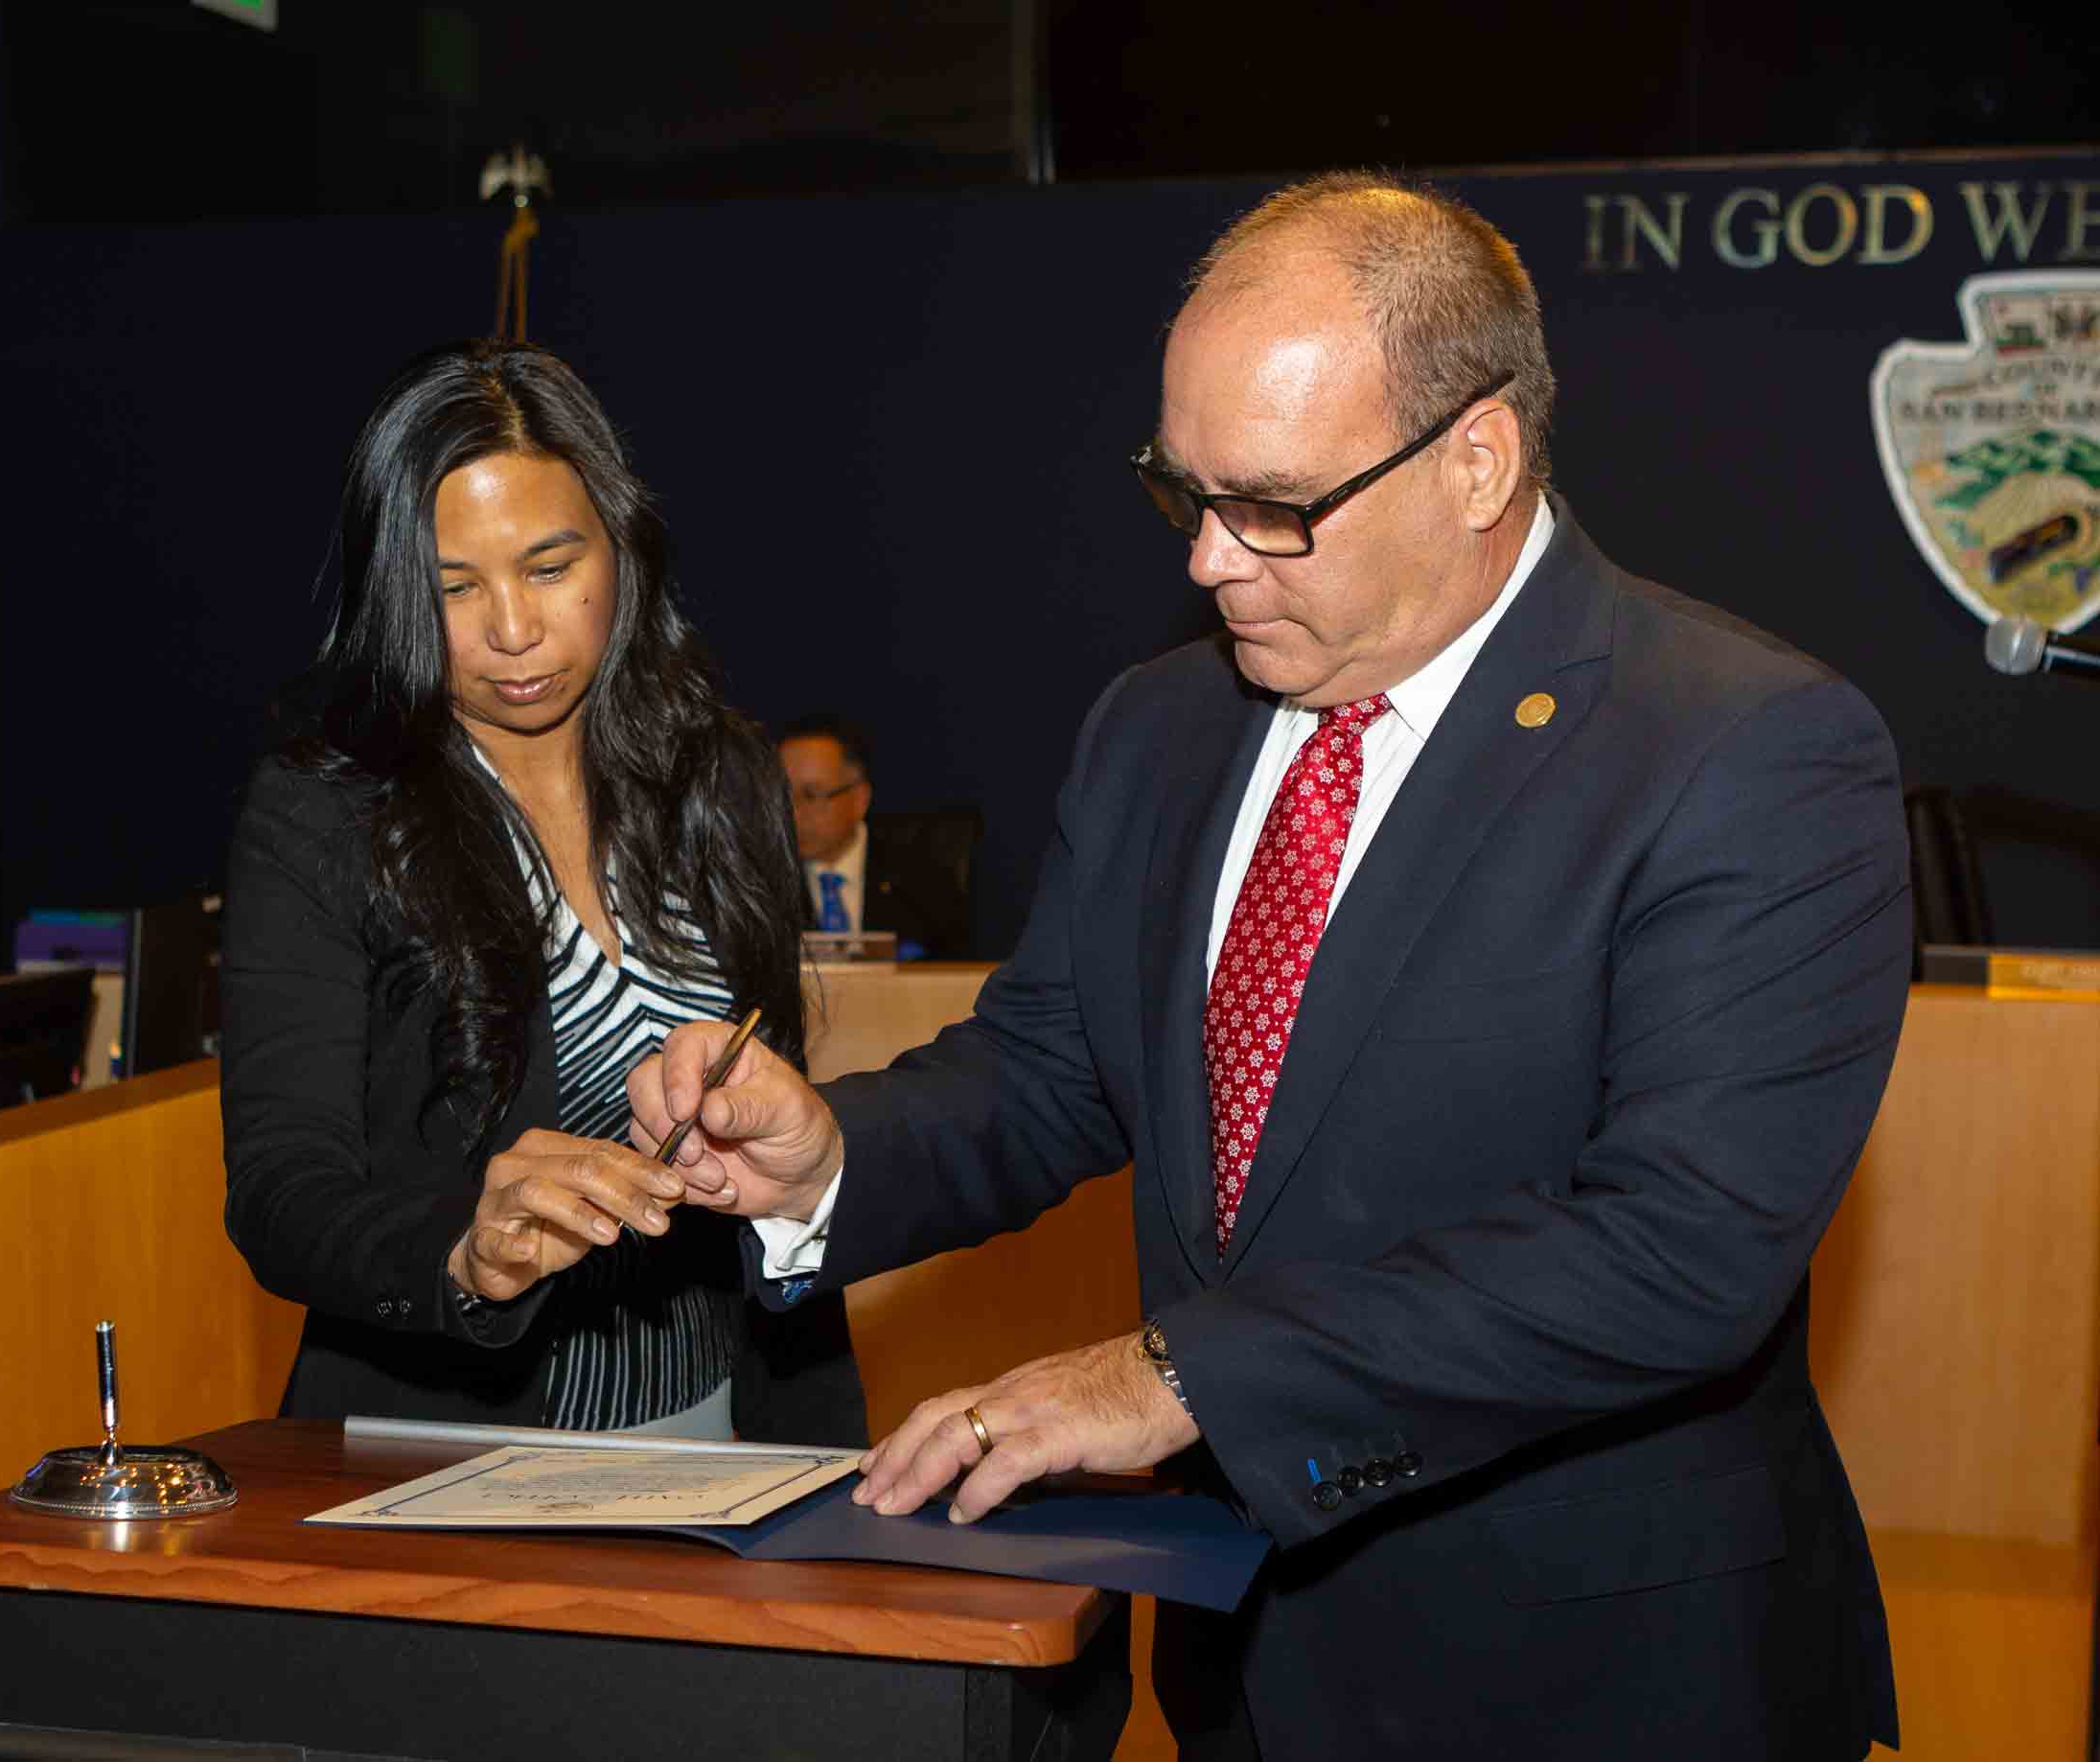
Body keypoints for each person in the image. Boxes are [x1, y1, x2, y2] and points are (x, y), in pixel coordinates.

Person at [629, 174, 1906, 1760]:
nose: (1216, 563)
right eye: (1185, 496)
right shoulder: (1160, 725)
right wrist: (834, 1154)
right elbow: (1050, 1066)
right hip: (1249, 1654)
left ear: (1478, 460)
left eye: (1276, 505)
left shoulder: (1742, 746)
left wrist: (1180, 1372)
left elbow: (1681, 1251)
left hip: (1603, 1672)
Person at [221, 338, 864, 1447]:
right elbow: (282, 1189)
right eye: (451, 586)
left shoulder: (719, 775)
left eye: (550, 567)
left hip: (723, 1434)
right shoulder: (326, 810)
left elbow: (774, 1137)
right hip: (450, 1449)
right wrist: (461, 1247)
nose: (510, 632)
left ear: (620, 546)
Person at [777, 714, 972, 959]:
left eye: (810, 795)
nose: (792, 811)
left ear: (860, 799)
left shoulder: (922, 879)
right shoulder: (761, 882)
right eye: (783, 794)